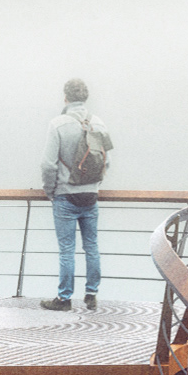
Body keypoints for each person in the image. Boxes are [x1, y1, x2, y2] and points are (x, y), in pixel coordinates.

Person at [39, 78, 113, 311]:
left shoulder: (57, 124)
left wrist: (51, 191)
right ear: (85, 97)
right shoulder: (98, 123)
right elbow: (106, 161)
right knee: (92, 246)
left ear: (65, 98)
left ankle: (64, 299)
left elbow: (48, 165)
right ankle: (91, 295)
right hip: (90, 195)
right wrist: (94, 184)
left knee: (67, 251)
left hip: (65, 195)